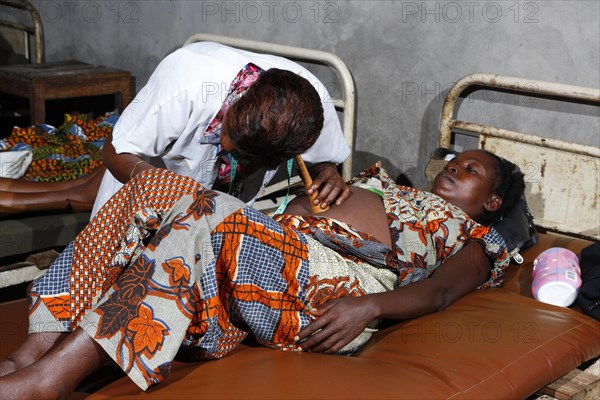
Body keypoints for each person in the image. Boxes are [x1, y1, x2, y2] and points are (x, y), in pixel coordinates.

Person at [0, 149, 525, 399]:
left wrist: (372, 306)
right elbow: (312, 203)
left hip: (334, 289)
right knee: (147, 189)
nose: (455, 166)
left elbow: (438, 293)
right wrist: (326, 182)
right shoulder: (389, 186)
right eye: (455, 159)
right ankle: (34, 350)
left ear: (493, 201)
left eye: (471, 170)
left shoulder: (475, 240)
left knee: (212, 212)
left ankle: (47, 382)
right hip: (276, 248)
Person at [91, 41, 352, 217]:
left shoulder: (310, 106)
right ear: (240, 99)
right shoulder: (186, 81)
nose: (225, 146)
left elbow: (322, 161)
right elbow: (115, 150)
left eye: (243, 153)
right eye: (228, 132)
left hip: (221, 213)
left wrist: (327, 173)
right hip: (137, 192)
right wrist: (158, 184)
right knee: (109, 279)